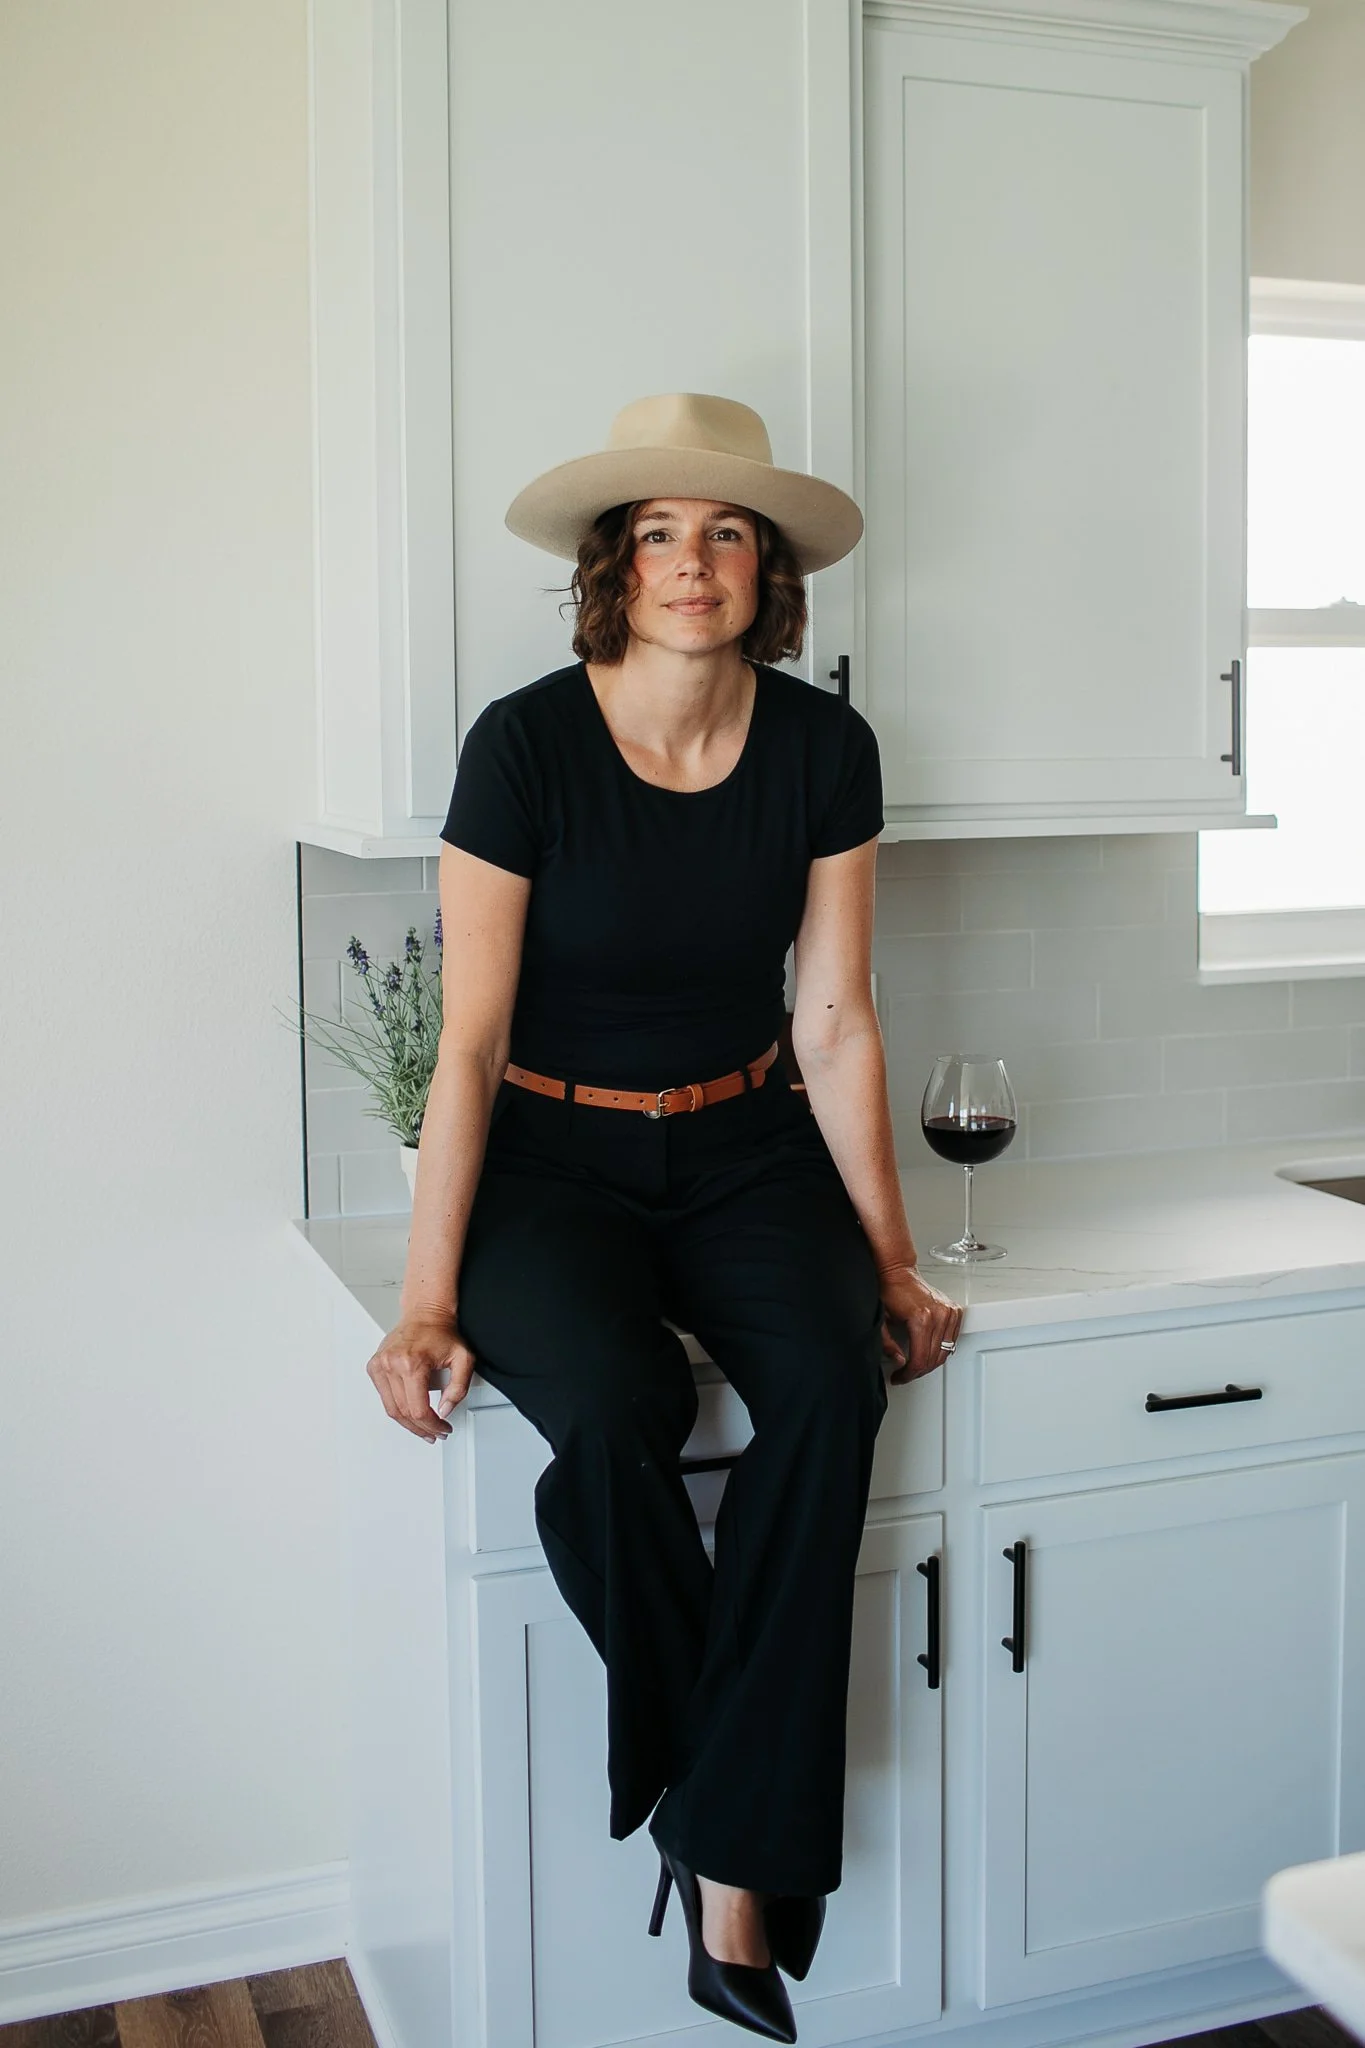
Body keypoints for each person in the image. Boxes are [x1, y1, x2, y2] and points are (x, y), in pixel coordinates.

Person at [364, 393, 964, 2042]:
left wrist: (896, 1263)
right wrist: (423, 1300)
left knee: (836, 1382)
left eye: (723, 534)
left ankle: (712, 1843)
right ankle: (736, 1861)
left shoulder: (828, 750)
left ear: (764, 571)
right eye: (654, 534)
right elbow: (470, 1042)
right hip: (549, 1163)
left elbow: (834, 1020)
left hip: (746, 1144)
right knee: (621, 1409)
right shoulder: (527, 745)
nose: (689, 563)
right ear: (610, 572)